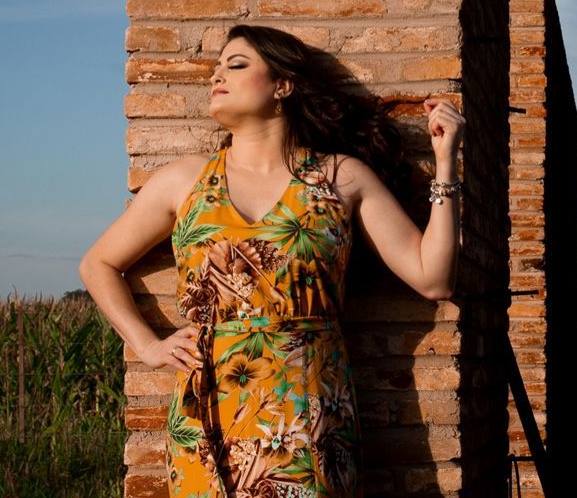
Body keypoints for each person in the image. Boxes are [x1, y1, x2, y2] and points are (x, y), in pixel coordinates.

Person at [81, 25, 465, 498]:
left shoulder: (340, 178)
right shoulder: (185, 181)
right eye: (216, 67)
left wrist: (446, 162)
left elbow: (434, 278)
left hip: (309, 413)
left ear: (283, 85)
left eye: (236, 65)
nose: (217, 76)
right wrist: (148, 345)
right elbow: (97, 264)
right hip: (211, 413)